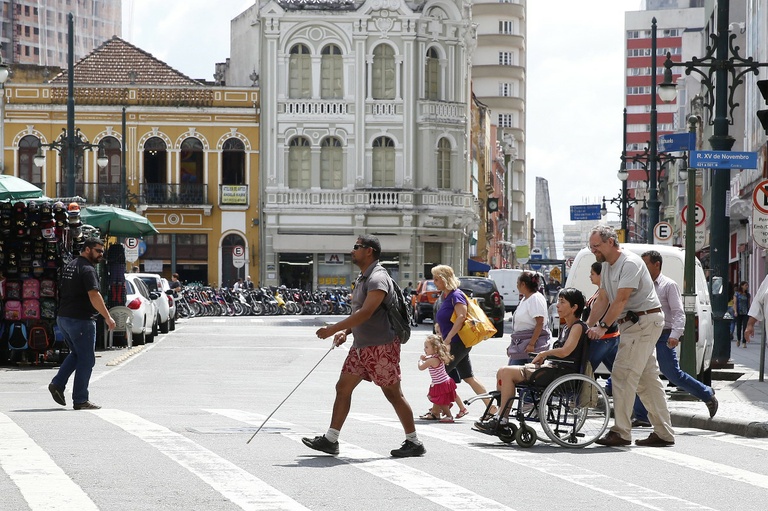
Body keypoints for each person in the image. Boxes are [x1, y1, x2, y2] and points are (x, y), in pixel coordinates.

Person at [302, 235, 425, 458]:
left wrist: (332, 329)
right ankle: (331, 439)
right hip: (361, 347)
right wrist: (346, 331)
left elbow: (366, 312)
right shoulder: (363, 277)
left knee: (393, 394)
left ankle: (414, 442)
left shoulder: (378, 278)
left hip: (381, 346)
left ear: (369, 251)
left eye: (356, 247)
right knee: (343, 387)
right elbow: (362, 314)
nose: (352, 250)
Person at [586, 225, 674, 447]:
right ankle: (664, 433)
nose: (593, 250)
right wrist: (585, 325)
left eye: (596, 246)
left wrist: (603, 327)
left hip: (642, 322)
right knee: (647, 380)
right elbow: (603, 299)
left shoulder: (630, 263)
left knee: (622, 375)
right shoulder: (607, 266)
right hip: (635, 324)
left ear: (611, 242)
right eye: (591, 246)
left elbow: (621, 300)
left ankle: (621, 432)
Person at [474, 287, 588, 433]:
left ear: (574, 307)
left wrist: (544, 354)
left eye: (562, 302)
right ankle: (501, 415)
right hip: (554, 369)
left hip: (561, 374)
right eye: (558, 301)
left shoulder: (578, 327)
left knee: (507, 372)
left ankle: (502, 419)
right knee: (502, 371)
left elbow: (566, 351)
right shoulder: (567, 327)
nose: (557, 305)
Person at [631, 250, 718, 427]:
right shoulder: (642, 286)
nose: (642, 268)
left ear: (657, 264)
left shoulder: (668, 285)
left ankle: (707, 394)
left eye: (645, 264)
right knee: (641, 372)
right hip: (646, 334)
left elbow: (678, 312)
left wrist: (675, 335)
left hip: (664, 335)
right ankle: (641, 415)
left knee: (672, 374)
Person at [48, 238, 116, 410]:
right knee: (87, 360)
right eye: (98, 250)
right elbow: (94, 295)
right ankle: (80, 399)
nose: (101, 254)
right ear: (87, 249)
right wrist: (108, 317)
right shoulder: (87, 269)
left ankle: (57, 384)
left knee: (77, 354)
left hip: (64, 318)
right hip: (81, 320)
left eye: (102, 251)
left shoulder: (71, 265)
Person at [426, 264, 493, 420]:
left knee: (440, 375)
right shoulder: (446, 296)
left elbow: (462, 317)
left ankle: (436, 411)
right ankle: (492, 407)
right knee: (468, 377)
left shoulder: (456, 295)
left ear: (444, 279)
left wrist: (448, 337)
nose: (434, 282)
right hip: (455, 342)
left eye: (436, 279)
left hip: (457, 342)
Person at [582, 261, 619, 395]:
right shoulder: (600, 291)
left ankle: (581, 396)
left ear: (601, 275)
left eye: (592, 274)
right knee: (618, 372)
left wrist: (595, 327)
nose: (590, 276)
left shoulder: (606, 292)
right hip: (605, 338)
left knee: (586, 367)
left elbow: (607, 311)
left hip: (604, 338)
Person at [507, 271, 551, 365]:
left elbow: (540, 322)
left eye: (517, 283)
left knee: (528, 374)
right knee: (512, 372)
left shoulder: (535, 298)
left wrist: (532, 343)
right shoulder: (525, 299)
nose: (517, 286)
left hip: (531, 344)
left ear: (523, 284)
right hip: (520, 343)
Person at [418, 334, 458, 423]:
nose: (425, 349)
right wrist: (425, 358)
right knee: (436, 398)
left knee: (441, 402)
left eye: (427, 347)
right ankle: (436, 412)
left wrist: (420, 360)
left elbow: (421, 367)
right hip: (443, 382)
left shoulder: (432, 360)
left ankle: (449, 416)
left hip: (441, 383)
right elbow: (429, 359)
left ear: (435, 349)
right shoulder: (436, 356)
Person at [734, 281, 750, 347]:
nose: (747, 287)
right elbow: (735, 303)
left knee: (745, 327)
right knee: (739, 327)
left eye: (747, 285)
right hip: (739, 312)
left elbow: (748, 303)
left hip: (746, 312)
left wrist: (750, 311)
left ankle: (744, 342)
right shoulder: (737, 294)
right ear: (742, 286)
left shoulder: (747, 295)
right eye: (745, 285)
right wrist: (735, 311)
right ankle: (738, 339)